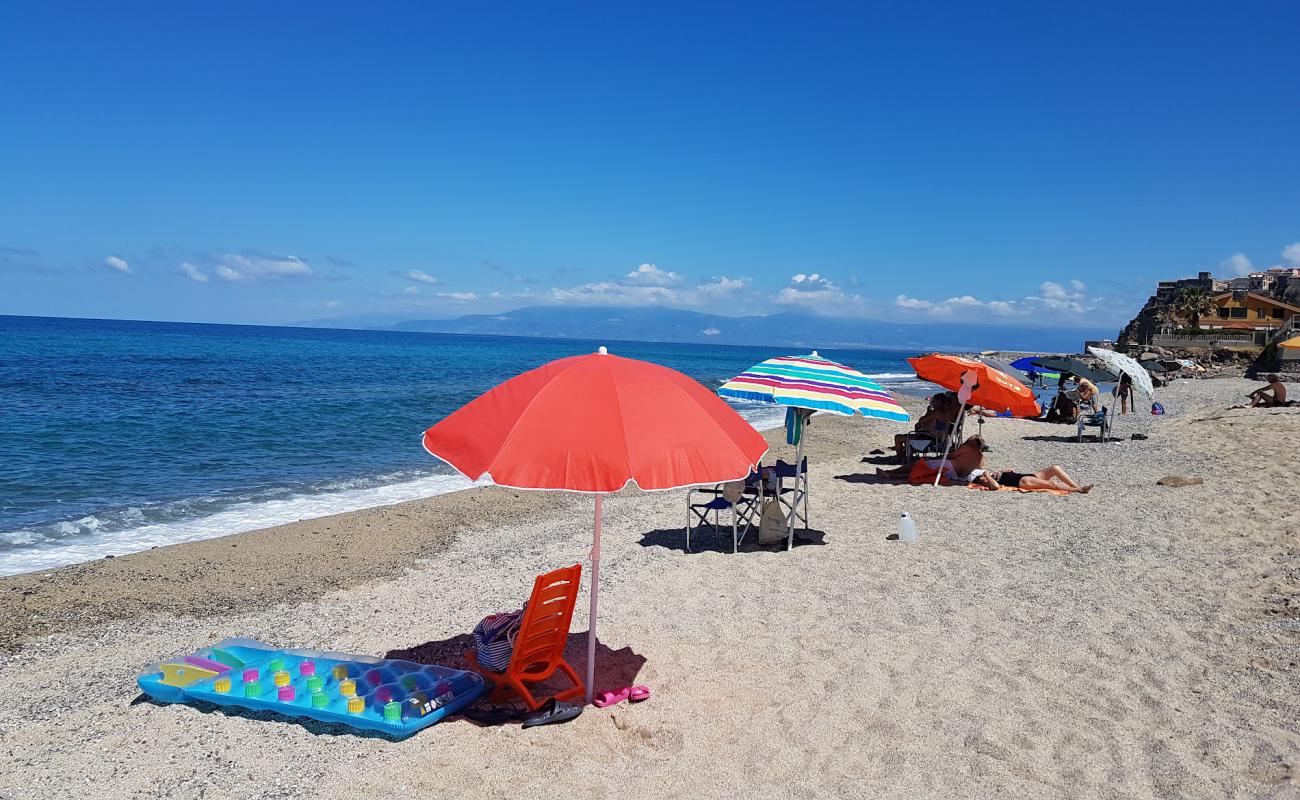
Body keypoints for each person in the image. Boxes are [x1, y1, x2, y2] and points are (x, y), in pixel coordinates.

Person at [877, 436, 985, 482]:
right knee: (925, 473)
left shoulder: (967, 448)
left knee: (920, 464)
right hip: (958, 476)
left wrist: (937, 457)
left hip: (950, 466)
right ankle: (892, 475)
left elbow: (951, 456)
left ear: (973, 443)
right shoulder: (981, 457)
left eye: (969, 440)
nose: (966, 440)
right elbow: (978, 467)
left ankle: (891, 472)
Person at [892, 392, 959, 458]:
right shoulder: (946, 414)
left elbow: (921, 420)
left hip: (929, 439)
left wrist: (928, 412)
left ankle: (900, 457)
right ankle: (905, 455)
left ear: (939, 402)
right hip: (938, 439)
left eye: (934, 400)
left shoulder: (936, 412)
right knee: (909, 436)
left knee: (898, 437)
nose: (932, 402)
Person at [971, 464, 1094, 494]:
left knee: (1055, 468)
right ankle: (1079, 490)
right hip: (1023, 481)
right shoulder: (986, 481)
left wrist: (1008, 471)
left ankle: (1075, 486)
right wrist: (986, 474)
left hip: (1028, 475)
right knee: (1051, 484)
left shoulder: (993, 476)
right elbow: (996, 486)